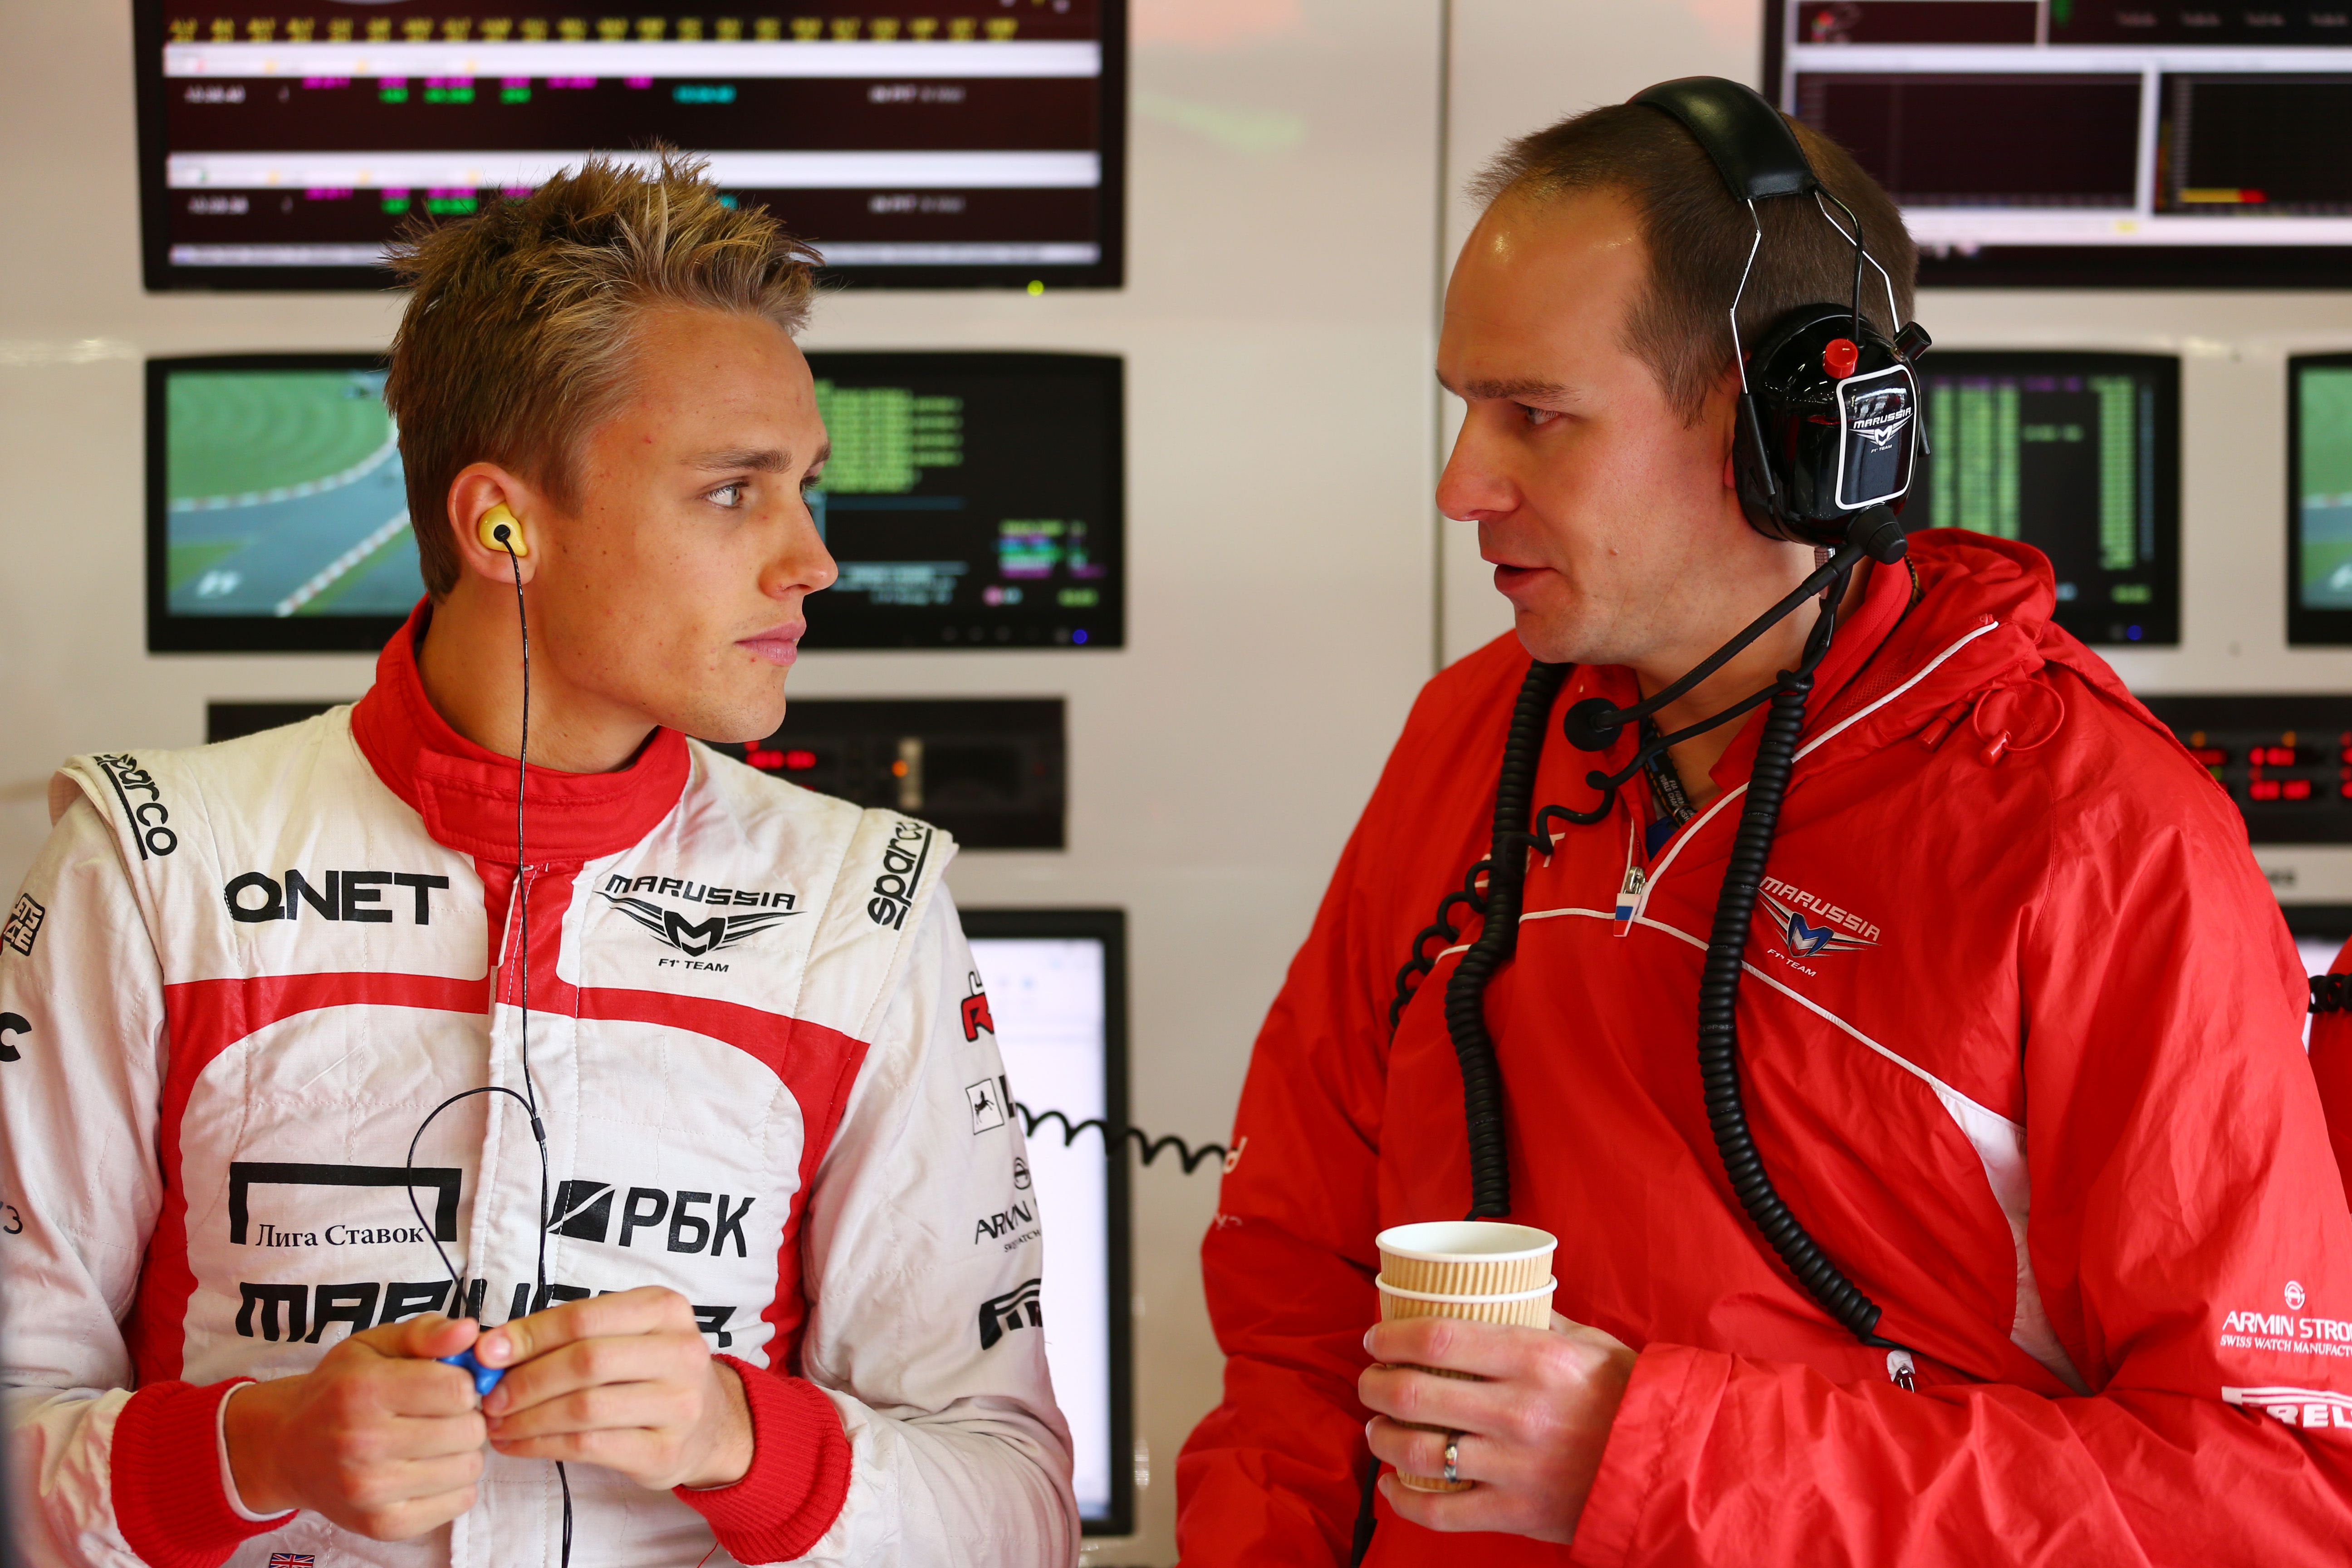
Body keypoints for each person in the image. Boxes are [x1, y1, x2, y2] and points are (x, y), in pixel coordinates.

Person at [1176, 90, 2352, 1565]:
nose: (1462, 486)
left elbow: (2270, 1499)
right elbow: (1300, 1293)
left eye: (1536, 416)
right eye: (1465, 407)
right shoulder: (1469, 737)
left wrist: (1651, 1458)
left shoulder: (2098, 839)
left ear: (1797, 434)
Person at [0, 157, 1077, 1568]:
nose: (813, 559)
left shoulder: (863, 907)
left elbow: (1018, 1516)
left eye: (803, 489)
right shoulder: (152, 863)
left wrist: (742, 1441)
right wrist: (251, 1449)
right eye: (733, 493)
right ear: (501, 525)